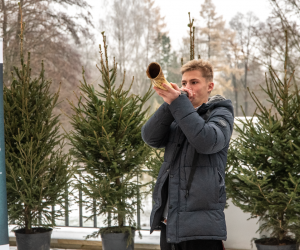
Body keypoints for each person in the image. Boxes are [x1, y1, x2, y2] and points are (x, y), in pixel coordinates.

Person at [141, 59, 234, 250]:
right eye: (184, 83)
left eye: (194, 82)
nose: (187, 87)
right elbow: (150, 137)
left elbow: (206, 141)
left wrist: (178, 103)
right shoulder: (178, 112)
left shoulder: (221, 113)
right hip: (171, 221)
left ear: (210, 86)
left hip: (201, 227)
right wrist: (169, 105)